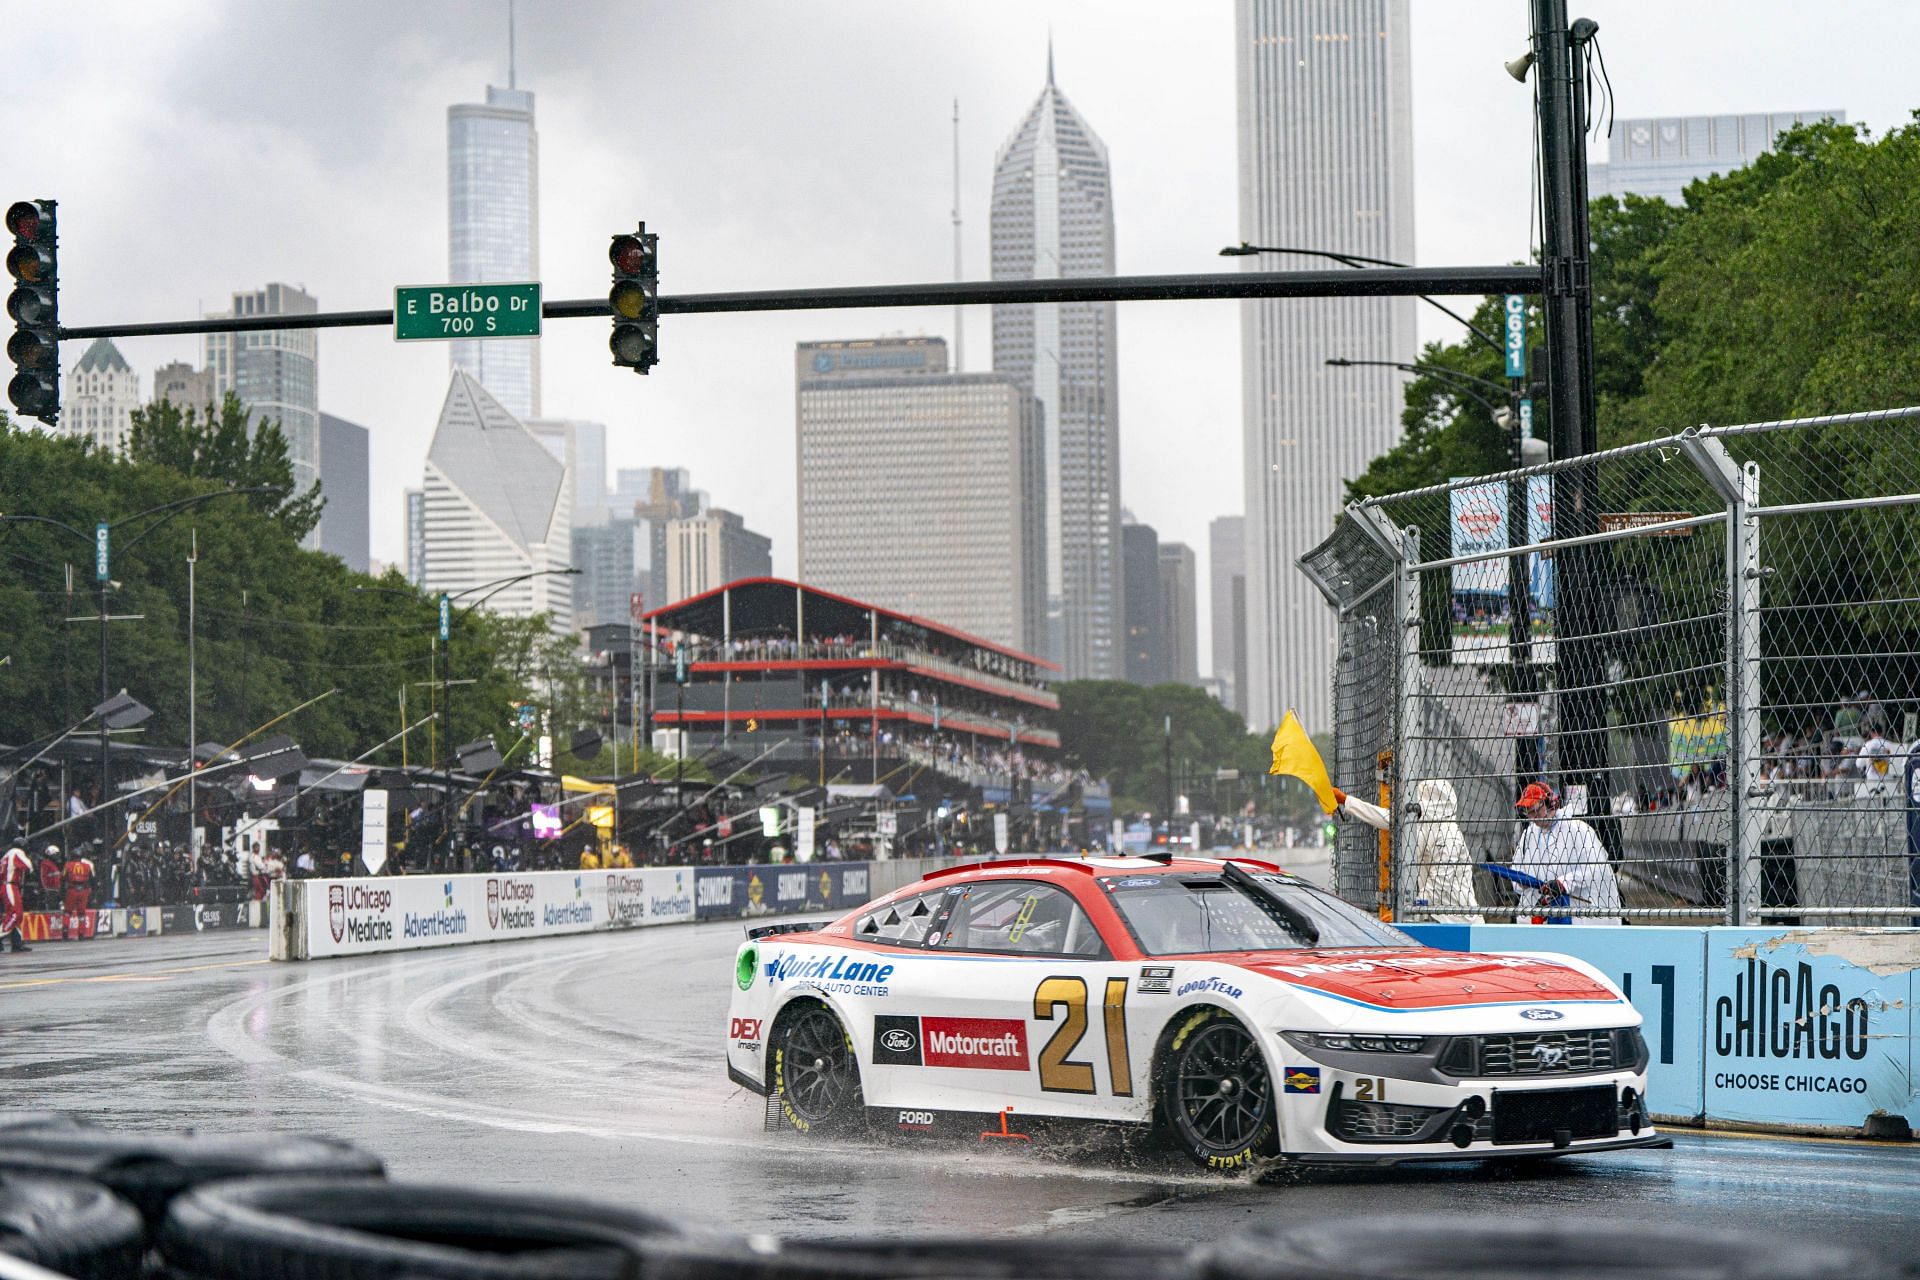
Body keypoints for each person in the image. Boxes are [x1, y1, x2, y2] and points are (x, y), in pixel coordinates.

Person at [1330, 780, 1483, 924]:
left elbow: (1440, 884)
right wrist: (1345, 800)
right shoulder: (1425, 825)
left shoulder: (1448, 834)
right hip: (1441, 917)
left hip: (1462, 921)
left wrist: (1406, 910)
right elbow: (1387, 818)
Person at [1511, 782, 1622, 925]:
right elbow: (1515, 869)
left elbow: (1595, 868)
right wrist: (1521, 883)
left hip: (1576, 914)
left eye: (1535, 811)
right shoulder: (1529, 834)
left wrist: (1563, 883)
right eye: (1528, 812)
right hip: (1539, 913)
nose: (1532, 818)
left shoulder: (1577, 829)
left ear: (1550, 803)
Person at [2, 844, 33, 952]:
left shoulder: (5, 855)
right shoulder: (16, 852)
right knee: (15, 914)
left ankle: (17, 943)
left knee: (15, 916)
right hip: (10, 885)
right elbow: (28, 866)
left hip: (6, 885)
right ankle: (2, 934)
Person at [61, 847, 94, 939]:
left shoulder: (68, 865)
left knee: (67, 912)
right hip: (83, 890)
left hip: (72, 890)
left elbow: (63, 877)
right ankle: (81, 934)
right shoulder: (87, 866)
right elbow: (92, 878)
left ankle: (65, 931)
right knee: (81, 913)